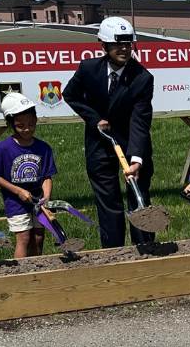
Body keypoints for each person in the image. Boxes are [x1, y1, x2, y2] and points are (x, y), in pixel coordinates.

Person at [63, 16, 155, 248]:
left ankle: (144, 249)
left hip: (132, 145)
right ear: (103, 45)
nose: (124, 49)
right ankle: (113, 253)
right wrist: (95, 120)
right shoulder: (88, 69)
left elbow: (140, 121)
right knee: (109, 202)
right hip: (99, 145)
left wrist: (136, 159)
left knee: (138, 198)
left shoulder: (142, 78)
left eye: (128, 44)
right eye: (118, 44)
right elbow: (70, 95)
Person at [0, 93, 57, 258]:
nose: (27, 129)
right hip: (15, 201)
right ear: (11, 124)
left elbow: (47, 176)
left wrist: (46, 198)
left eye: (31, 124)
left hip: (39, 200)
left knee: (38, 237)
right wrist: (18, 191)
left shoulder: (43, 148)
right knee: (24, 237)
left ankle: (36, 268)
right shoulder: (3, 149)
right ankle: (22, 273)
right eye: (21, 125)